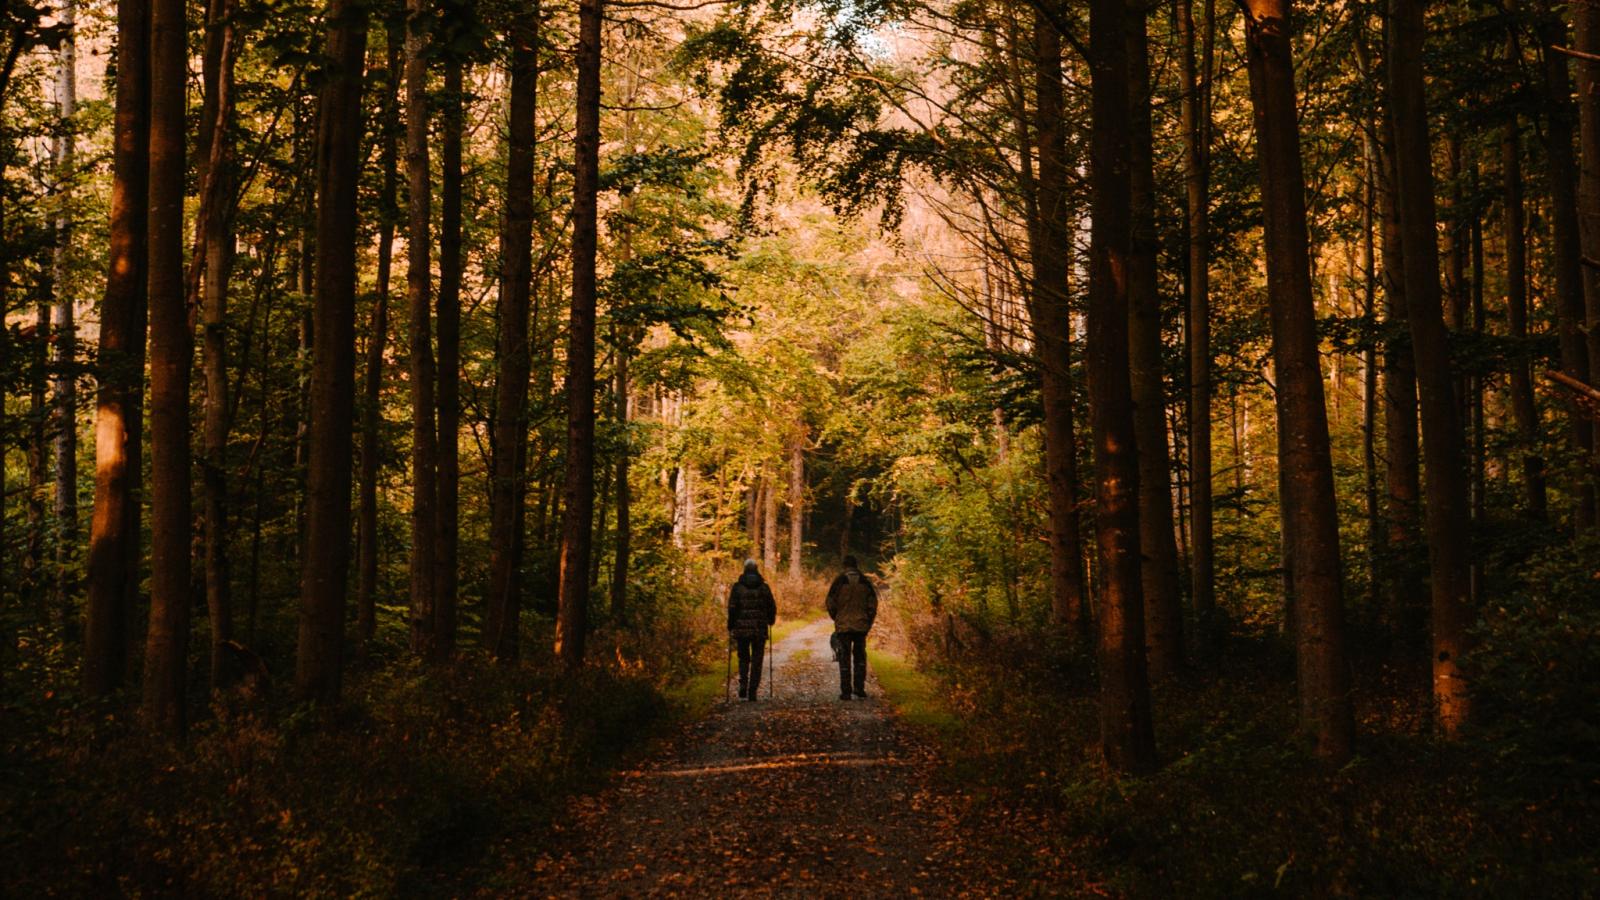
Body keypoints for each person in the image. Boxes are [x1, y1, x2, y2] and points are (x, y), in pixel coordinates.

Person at [825, 555, 878, 700]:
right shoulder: (865, 581)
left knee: (844, 658)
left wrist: (836, 617)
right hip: (861, 626)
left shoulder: (839, 581)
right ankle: (859, 689)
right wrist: (868, 621)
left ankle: (846, 691)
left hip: (843, 627)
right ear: (856, 565)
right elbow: (873, 604)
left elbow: (830, 602)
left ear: (844, 566)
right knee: (860, 657)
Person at [727, 559, 777, 700]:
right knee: (757, 660)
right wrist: (771, 620)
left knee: (743, 658)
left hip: (741, 630)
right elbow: (771, 606)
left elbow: (732, 608)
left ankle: (743, 683)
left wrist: (730, 625)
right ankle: (752, 691)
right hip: (759, 630)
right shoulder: (764, 587)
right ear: (756, 569)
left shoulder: (737, 587)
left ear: (744, 569)